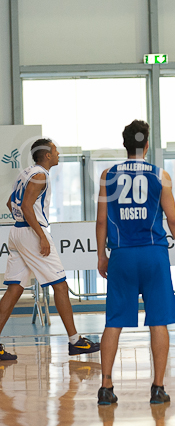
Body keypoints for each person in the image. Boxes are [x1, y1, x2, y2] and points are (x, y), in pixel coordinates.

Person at [96, 120, 175, 405]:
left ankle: (106, 387)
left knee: (113, 322)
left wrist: (102, 254)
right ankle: (158, 388)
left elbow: (102, 220)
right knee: (159, 321)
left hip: (122, 254)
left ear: (125, 144)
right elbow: (173, 219)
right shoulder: (160, 175)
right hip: (153, 253)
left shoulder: (107, 175)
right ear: (147, 144)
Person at [0, 139, 100, 362]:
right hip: (30, 233)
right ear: (46, 155)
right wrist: (41, 236)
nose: (57, 154)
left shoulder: (25, 173)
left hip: (17, 232)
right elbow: (26, 207)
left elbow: (10, 203)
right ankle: (76, 341)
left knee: (14, 290)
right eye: (55, 150)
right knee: (61, 285)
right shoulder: (40, 175)